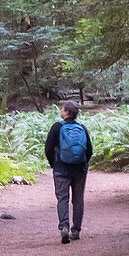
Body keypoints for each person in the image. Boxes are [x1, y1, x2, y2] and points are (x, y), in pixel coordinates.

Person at [44, 99, 93, 243]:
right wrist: (83, 164)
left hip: (61, 169)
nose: (61, 111)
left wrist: (54, 164)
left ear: (67, 112)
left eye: (62, 109)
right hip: (79, 169)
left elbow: (48, 148)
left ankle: (64, 227)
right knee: (78, 200)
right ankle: (76, 230)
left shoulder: (57, 127)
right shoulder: (82, 128)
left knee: (62, 199)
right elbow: (89, 150)